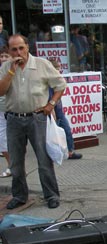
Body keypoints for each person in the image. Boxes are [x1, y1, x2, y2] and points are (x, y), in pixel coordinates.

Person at [0, 34, 67, 209]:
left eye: (21, 48)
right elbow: (1, 91)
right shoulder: (6, 67)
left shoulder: (41, 64)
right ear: (8, 50)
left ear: (27, 47)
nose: (18, 52)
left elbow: (61, 85)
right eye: (14, 49)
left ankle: (51, 195)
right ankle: (20, 195)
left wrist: (51, 104)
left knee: (43, 159)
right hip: (14, 118)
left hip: (36, 118)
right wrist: (11, 71)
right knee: (15, 161)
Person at [49, 59, 82, 160]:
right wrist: (53, 113)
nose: (60, 71)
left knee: (65, 131)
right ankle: (62, 152)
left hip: (59, 111)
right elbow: (50, 100)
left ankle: (69, 151)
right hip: (55, 112)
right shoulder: (49, 84)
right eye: (58, 69)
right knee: (58, 134)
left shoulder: (56, 82)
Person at [0, 46, 11, 177]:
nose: (3, 59)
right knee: (2, 139)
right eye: (1, 56)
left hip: (13, 110)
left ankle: (16, 166)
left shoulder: (15, 71)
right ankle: (11, 165)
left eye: (6, 56)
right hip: (1, 111)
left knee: (16, 140)